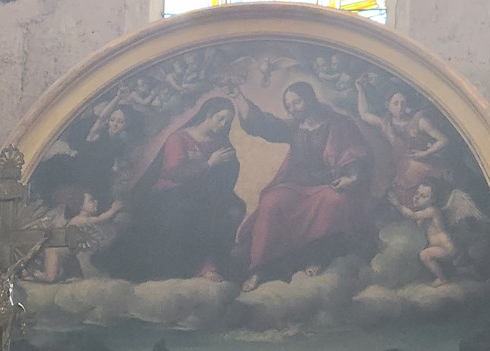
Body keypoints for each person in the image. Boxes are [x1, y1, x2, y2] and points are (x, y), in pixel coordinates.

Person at [229, 81, 373, 290]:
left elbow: (356, 150)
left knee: (334, 201)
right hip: (294, 186)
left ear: (310, 99)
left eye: (296, 102)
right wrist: (238, 96)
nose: (292, 108)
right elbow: (262, 124)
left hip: (327, 185)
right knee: (271, 202)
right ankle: (260, 269)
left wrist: (351, 177)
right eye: (288, 105)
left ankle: (317, 258)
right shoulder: (293, 127)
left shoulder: (339, 124)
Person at [106, 96, 245, 282]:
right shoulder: (179, 138)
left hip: (207, 192)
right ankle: (197, 266)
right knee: (192, 208)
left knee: (236, 209)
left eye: (227, 122)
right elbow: (173, 172)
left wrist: (221, 165)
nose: (223, 125)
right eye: (220, 119)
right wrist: (208, 163)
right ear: (208, 114)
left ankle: (216, 261)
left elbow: (230, 170)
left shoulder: (221, 142)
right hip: (170, 193)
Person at [356, 77, 452, 206]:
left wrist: (425, 153)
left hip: (422, 166)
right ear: (387, 105)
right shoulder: (386, 123)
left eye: (403, 103)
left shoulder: (419, 121)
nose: (400, 107)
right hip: (402, 167)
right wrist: (360, 90)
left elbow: (443, 140)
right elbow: (364, 114)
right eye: (395, 103)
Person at [388, 180, 455, 285]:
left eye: (423, 196)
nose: (417, 197)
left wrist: (398, 205)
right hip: (440, 247)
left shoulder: (432, 211)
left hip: (446, 248)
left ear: (432, 199)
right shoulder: (424, 215)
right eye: (417, 193)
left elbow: (412, 215)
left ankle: (442, 278)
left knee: (424, 255)